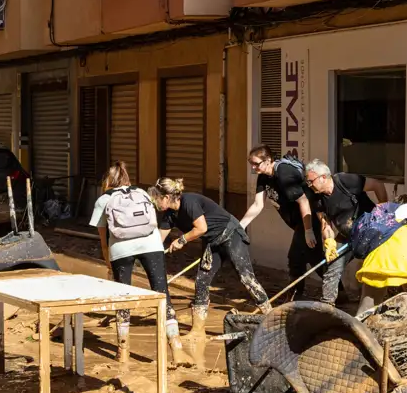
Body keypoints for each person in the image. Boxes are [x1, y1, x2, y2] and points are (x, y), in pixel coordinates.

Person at [148, 178, 272, 366]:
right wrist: (149, 255)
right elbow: (159, 240)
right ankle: (198, 330)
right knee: (201, 281)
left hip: (230, 234)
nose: (156, 203)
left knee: (246, 277)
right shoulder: (168, 216)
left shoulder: (189, 202)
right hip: (212, 243)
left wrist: (182, 240)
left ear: (167, 197)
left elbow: (201, 228)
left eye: (157, 199)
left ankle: (270, 316)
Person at [89, 161, 193, 366]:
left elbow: (103, 239)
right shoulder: (143, 193)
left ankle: (123, 350)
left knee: (123, 298)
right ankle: (177, 348)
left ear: (107, 181)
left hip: (121, 250)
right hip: (152, 246)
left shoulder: (103, 199)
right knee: (162, 294)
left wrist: (108, 262)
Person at [240, 145, 321, 300]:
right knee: (314, 257)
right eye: (251, 163)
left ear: (268, 160)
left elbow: (304, 201)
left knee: (295, 258)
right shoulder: (263, 177)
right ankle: (339, 292)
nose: (253, 166)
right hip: (298, 223)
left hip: (308, 219)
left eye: (256, 163)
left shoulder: (284, 173)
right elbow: (258, 204)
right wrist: (241, 225)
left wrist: (308, 230)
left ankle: (295, 297)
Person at [305, 159, 388, 306]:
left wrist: (383, 209)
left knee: (380, 267)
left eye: (311, 181)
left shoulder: (344, 181)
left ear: (323, 177)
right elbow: (326, 224)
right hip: (347, 234)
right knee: (331, 266)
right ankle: (327, 306)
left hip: (371, 229)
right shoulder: (316, 197)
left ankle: (388, 300)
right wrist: (329, 242)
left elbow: (377, 184)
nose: (309, 185)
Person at [352, 195, 407, 314]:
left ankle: (356, 330)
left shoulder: (384, 214)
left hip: (376, 258)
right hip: (404, 257)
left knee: (367, 308)